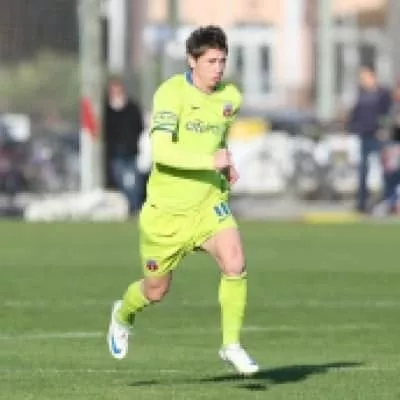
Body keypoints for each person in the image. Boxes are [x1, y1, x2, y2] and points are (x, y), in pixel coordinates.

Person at [107, 25, 259, 375]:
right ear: (192, 60)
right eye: (210, 61)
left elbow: (217, 141)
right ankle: (123, 314)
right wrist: (210, 161)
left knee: (235, 261)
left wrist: (225, 164)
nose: (218, 69)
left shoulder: (230, 98)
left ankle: (231, 345)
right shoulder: (171, 93)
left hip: (208, 204)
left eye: (222, 61)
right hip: (167, 213)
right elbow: (161, 152)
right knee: (155, 290)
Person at [347, 66, 392, 213]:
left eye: (365, 77)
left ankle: (387, 200)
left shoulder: (382, 94)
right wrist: (353, 129)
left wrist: (384, 129)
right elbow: (355, 114)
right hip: (364, 135)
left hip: (378, 136)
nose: (362, 81)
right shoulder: (361, 94)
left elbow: (388, 113)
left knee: (385, 169)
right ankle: (362, 202)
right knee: (363, 170)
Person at [104, 77, 145, 214]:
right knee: (120, 181)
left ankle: (134, 208)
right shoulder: (106, 110)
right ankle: (126, 208)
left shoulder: (132, 108)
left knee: (134, 183)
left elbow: (139, 127)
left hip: (131, 152)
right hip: (115, 154)